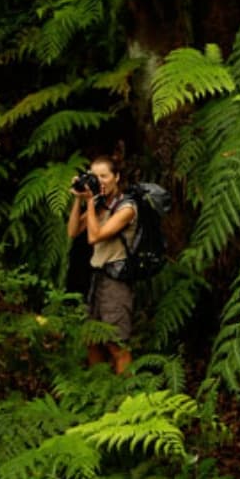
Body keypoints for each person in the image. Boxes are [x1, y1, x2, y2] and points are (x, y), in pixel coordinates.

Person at [66, 156, 136, 375]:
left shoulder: (127, 208)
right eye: (95, 177)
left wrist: (89, 201)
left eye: (104, 176)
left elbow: (94, 237)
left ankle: (127, 400)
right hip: (96, 278)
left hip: (116, 281)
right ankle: (98, 392)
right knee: (92, 340)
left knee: (116, 344)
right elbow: (73, 231)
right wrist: (79, 199)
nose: (100, 182)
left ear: (117, 177)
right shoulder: (99, 205)